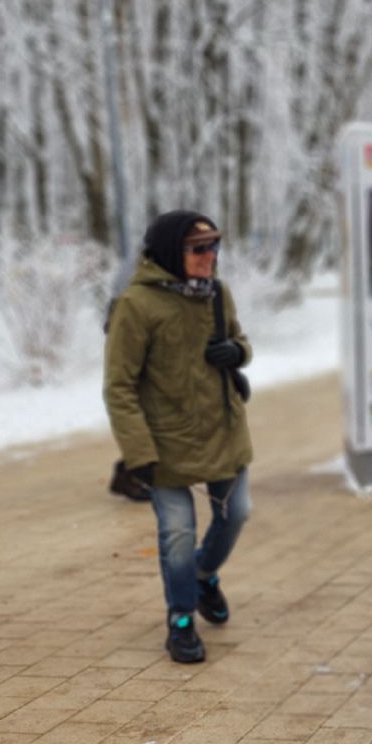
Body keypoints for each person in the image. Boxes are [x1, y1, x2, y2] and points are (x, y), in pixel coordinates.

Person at [103, 211, 253, 663]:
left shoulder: (216, 294)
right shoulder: (136, 305)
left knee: (237, 514)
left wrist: (237, 351)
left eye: (214, 246)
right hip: (165, 442)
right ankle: (182, 618)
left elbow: (241, 339)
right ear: (172, 252)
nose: (210, 257)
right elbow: (119, 387)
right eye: (198, 248)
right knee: (177, 535)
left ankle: (205, 575)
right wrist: (138, 452)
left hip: (223, 431)